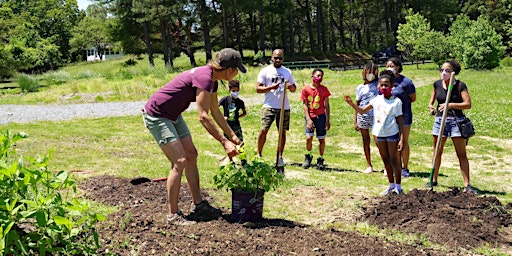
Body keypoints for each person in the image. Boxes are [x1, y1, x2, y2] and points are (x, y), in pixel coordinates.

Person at [142, 48, 246, 225]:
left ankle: (198, 205)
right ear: (229, 70)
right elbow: (203, 116)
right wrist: (224, 142)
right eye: (237, 69)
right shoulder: (205, 77)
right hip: (157, 115)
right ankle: (173, 215)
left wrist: (232, 136)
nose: (238, 73)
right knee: (180, 161)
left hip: (173, 115)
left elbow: (215, 110)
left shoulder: (212, 80)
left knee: (192, 155)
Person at [345, 70, 404, 195]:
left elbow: (400, 121)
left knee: (394, 160)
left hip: (392, 134)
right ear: (378, 86)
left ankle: (398, 187)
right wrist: (351, 104)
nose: (383, 87)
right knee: (385, 160)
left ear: (392, 86)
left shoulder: (396, 102)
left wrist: (402, 139)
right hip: (379, 134)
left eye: (386, 85)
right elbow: (362, 111)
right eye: (381, 85)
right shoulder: (376, 100)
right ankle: (391, 185)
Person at [427, 59, 477, 194]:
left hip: (456, 121)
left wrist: (451, 105)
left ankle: (467, 184)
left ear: (453, 72)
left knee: (461, 154)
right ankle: (433, 179)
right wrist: (432, 107)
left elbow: (468, 104)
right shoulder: (437, 85)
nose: (443, 73)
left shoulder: (460, 85)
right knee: (437, 151)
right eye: (442, 70)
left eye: (447, 71)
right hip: (440, 121)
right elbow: (432, 101)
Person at [256, 49, 297, 165]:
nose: (277, 60)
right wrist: (270, 88)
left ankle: (280, 156)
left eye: (280, 58)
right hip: (269, 105)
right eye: (275, 58)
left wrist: (291, 87)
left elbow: (294, 88)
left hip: (284, 106)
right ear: (272, 58)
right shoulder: (265, 71)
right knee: (264, 130)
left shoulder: (287, 72)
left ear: (283, 59)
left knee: (282, 133)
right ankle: (259, 154)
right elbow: (258, 89)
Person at [386, 57, 416, 177]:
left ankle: (405, 168)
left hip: (404, 115)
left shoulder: (406, 82)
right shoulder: (385, 80)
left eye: (392, 66)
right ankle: (395, 166)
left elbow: (413, 98)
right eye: (388, 66)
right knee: (393, 141)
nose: (390, 68)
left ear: (398, 67)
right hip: (389, 116)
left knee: (403, 141)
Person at [301, 68, 331, 170]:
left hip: (321, 117)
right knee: (309, 138)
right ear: (312, 76)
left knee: (321, 139)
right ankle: (308, 156)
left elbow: (327, 106)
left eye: (321, 76)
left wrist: (327, 120)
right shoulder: (305, 89)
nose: (319, 78)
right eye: (317, 75)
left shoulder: (324, 90)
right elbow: (305, 105)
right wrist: (308, 119)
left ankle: (320, 159)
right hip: (310, 116)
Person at [353, 63, 379, 174]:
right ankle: (369, 165)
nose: (370, 74)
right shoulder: (360, 87)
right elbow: (357, 104)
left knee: (378, 140)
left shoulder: (378, 84)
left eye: (372, 72)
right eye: (368, 72)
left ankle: (386, 164)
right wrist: (355, 121)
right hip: (363, 116)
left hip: (376, 116)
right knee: (365, 140)